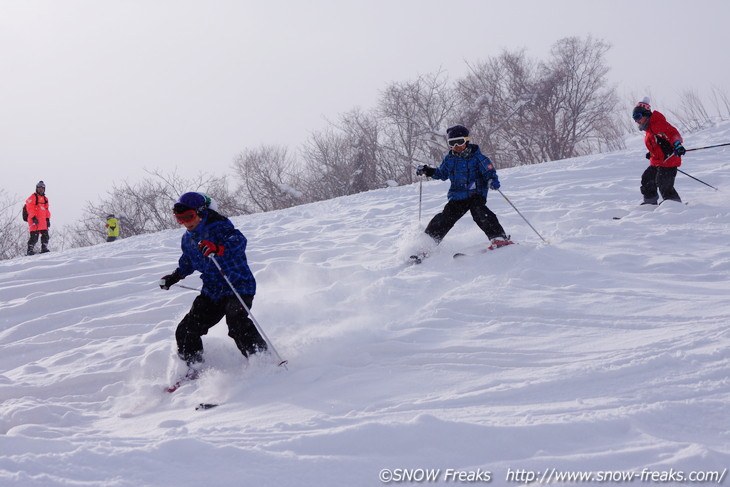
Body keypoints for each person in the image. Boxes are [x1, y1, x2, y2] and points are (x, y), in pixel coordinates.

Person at [158, 192, 267, 368]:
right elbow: (188, 261)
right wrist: (175, 276)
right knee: (186, 329)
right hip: (212, 291)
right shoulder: (187, 238)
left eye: (188, 217)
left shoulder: (219, 227)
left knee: (236, 323)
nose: (185, 222)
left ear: (200, 212)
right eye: (179, 219)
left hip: (238, 285)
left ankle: (262, 359)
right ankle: (193, 368)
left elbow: (239, 241)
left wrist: (218, 248)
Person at [414, 125, 512, 259]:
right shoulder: (450, 159)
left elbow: (489, 172)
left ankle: (498, 237)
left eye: (459, 142)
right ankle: (426, 245)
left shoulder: (478, 158)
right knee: (445, 217)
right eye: (452, 143)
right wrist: (428, 171)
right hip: (457, 196)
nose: (456, 146)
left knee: (479, 212)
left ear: (466, 141)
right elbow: (442, 174)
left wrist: (492, 180)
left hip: (476, 194)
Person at [632, 97, 686, 205]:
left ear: (646, 114)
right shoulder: (649, 128)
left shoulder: (657, 124)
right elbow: (657, 144)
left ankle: (674, 204)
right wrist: (652, 153)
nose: (637, 121)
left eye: (638, 117)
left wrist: (677, 145)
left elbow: (672, 134)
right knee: (647, 178)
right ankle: (650, 203)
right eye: (634, 118)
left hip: (669, 160)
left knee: (663, 183)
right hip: (658, 162)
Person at [25, 181, 51, 255]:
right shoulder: (33, 197)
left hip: (43, 220)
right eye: (39, 188)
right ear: (36, 188)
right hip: (34, 220)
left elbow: (46, 210)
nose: (41, 189)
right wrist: (33, 217)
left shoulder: (45, 199)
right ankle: (30, 250)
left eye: (42, 188)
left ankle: (44, 248)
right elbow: (30, 208)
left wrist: (48, 219)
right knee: (34, 236)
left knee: (46, 235)